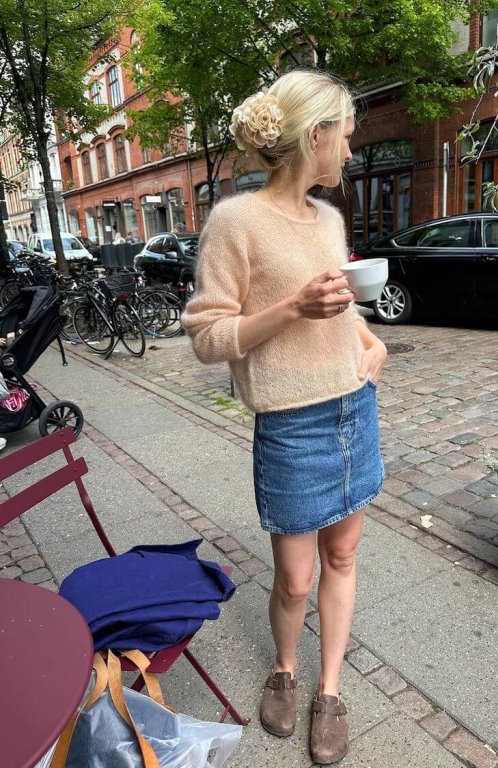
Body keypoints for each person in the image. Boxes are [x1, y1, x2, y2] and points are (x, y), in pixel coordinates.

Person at [180, 69, 387, 765]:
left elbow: (341, 308)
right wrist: (293, 307)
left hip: (354, 410)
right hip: (292, 427)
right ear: (315, 136)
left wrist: (371, 342)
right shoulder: (235, 221)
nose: (351, 152)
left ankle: (328, 689)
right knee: (296, 580)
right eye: (346, 137)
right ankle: (285, 667)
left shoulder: (329, 220)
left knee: (343, 556)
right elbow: (208, 335)